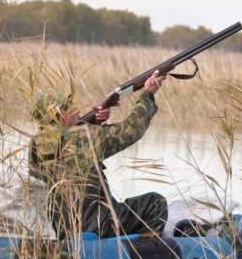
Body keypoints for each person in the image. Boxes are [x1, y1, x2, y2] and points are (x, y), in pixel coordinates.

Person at [29, 70, 168, 239]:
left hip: (61, 229)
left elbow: (66, 148)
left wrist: (93, 122)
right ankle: (143, 256)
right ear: (60, 113)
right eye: (69, 105)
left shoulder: (35, 145)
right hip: (98, 226)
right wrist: (148, 94)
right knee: (155, 203)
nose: (76, 109)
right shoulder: (84, 136)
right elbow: (132, 130)